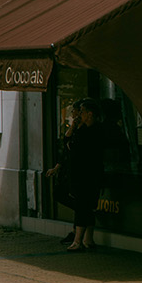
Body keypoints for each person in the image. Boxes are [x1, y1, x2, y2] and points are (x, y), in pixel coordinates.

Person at [47, 98, 106, 252]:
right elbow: (67, 143)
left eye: (82, 112)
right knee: (85, 207)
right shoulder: (84, 129)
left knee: (83, 206)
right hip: (81, 174)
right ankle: (87, 239)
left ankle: (78, 240)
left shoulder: (93, 131)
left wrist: (73, 135)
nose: (79, 115)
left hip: (87, 175)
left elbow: (74, 147)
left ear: (90, 114)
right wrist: (74, 127)